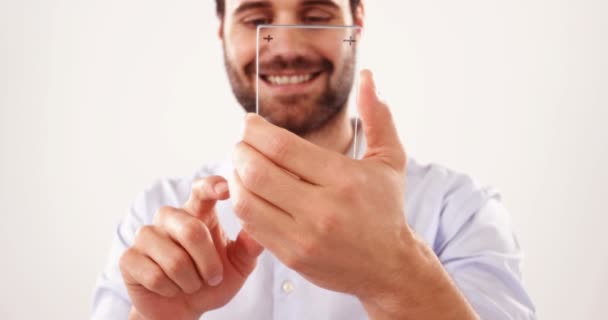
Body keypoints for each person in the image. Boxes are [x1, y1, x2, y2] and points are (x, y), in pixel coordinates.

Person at [91, 0, 536, 319]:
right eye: (257, 18)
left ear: (357, 21)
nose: (285, 46)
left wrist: (397, 273)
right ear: (222, 29)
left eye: (316, 15)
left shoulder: (459, 210)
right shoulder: (155, 218)